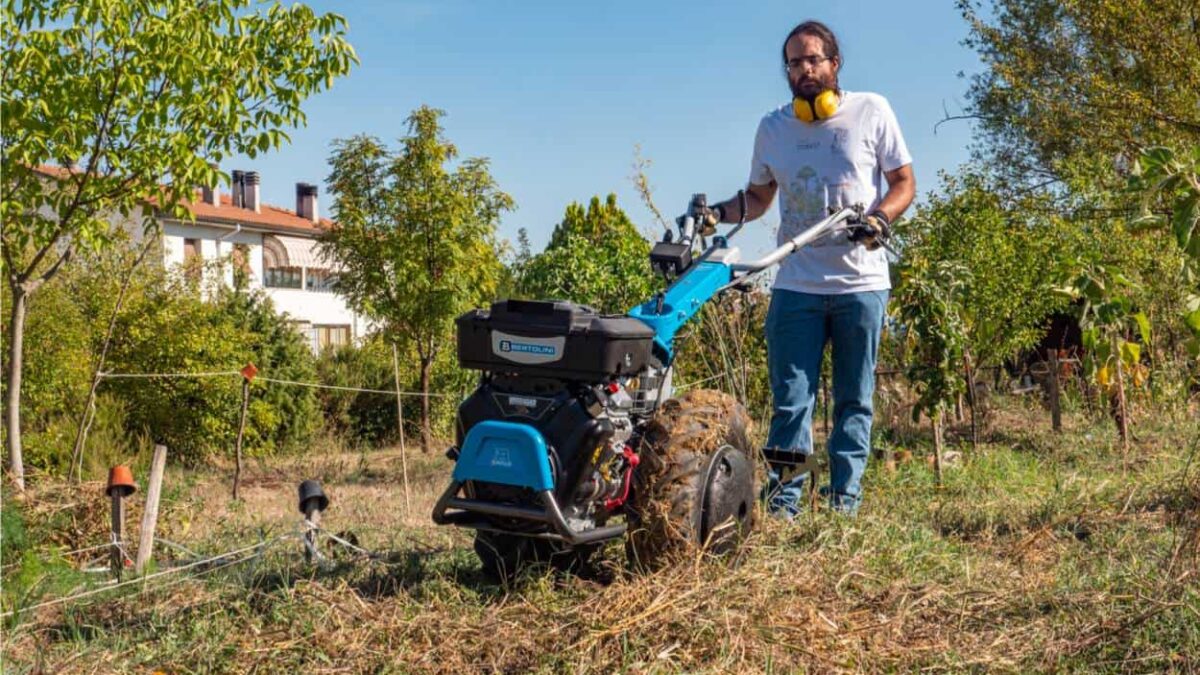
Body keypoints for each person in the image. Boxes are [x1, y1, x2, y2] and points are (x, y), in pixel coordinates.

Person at [702, 19, 915, 516]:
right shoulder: (773, 127)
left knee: (853, 400)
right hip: (796, 282)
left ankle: (844, 503)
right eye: (795, 63)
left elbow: (903, 183)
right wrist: (717, 212)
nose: (804, 70)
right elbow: (758, 198)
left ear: (834, 64)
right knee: (791, 401)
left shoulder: (872, 111)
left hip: (860, 283)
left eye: (813, 59)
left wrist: (880, 218)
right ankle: (785, 503)